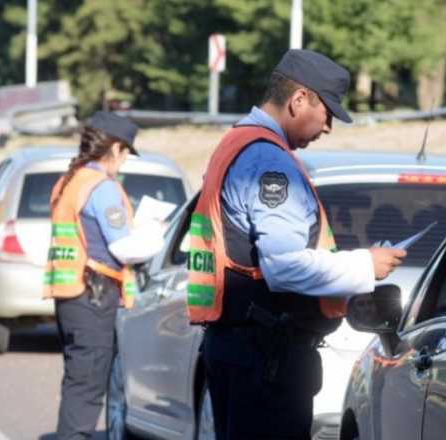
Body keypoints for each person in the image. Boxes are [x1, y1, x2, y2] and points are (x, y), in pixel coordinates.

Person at [185, 49, 407, 440]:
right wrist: (364, 266)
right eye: (328, 113)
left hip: (240, 347)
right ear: (299, 99)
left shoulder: (236, 142)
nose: (328, 128)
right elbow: (284, 265)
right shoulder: (271, 163)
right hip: (266, 355)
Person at [43, 111, 165, 440]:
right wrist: (157, 237)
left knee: (77, 383)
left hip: (72, 294)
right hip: (93, 296)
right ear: (114, 148)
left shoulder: (71, 179)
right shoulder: (102, 186)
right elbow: (123, 247)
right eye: (125, 153)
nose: (124, 161)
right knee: (86, 389)